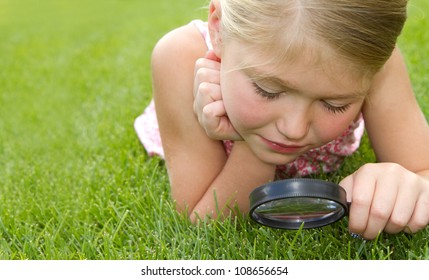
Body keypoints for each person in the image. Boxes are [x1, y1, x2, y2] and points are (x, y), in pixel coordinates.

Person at [135, 0, 429, 240]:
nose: (294, 129)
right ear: (218, 29)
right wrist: (252, 147)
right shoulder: (180, 58)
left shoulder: (369, 60)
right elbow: (202, 222)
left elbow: (424, 170)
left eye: (335, 104)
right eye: (268, 90)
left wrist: (406, 184)